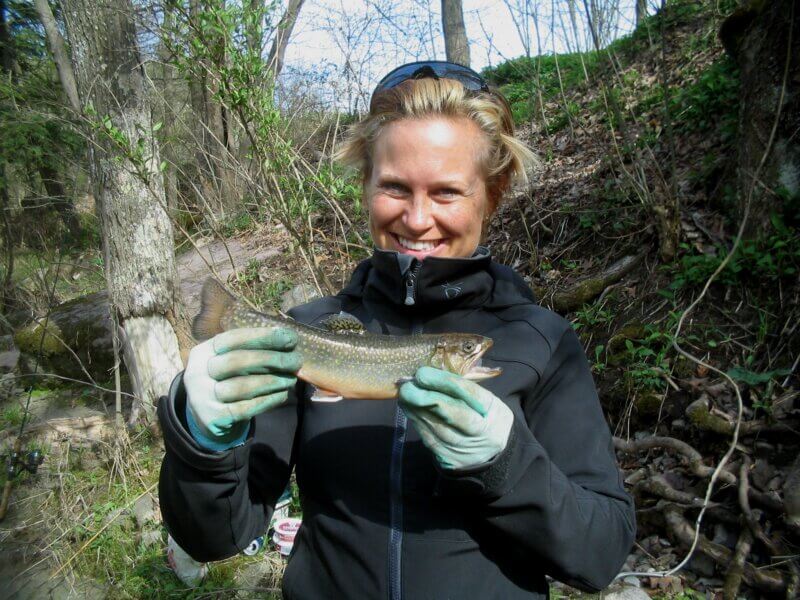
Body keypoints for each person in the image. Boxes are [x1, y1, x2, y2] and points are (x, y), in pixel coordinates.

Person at [158, 60, 636, 599]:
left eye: (447, 192)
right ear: (365, 186)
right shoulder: (304, 334)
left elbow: (601, 555)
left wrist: (506, 466)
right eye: (395, 187)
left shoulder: (543, 343)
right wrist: (200, 441)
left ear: (492, 195)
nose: (416, 218)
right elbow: (214, 536)